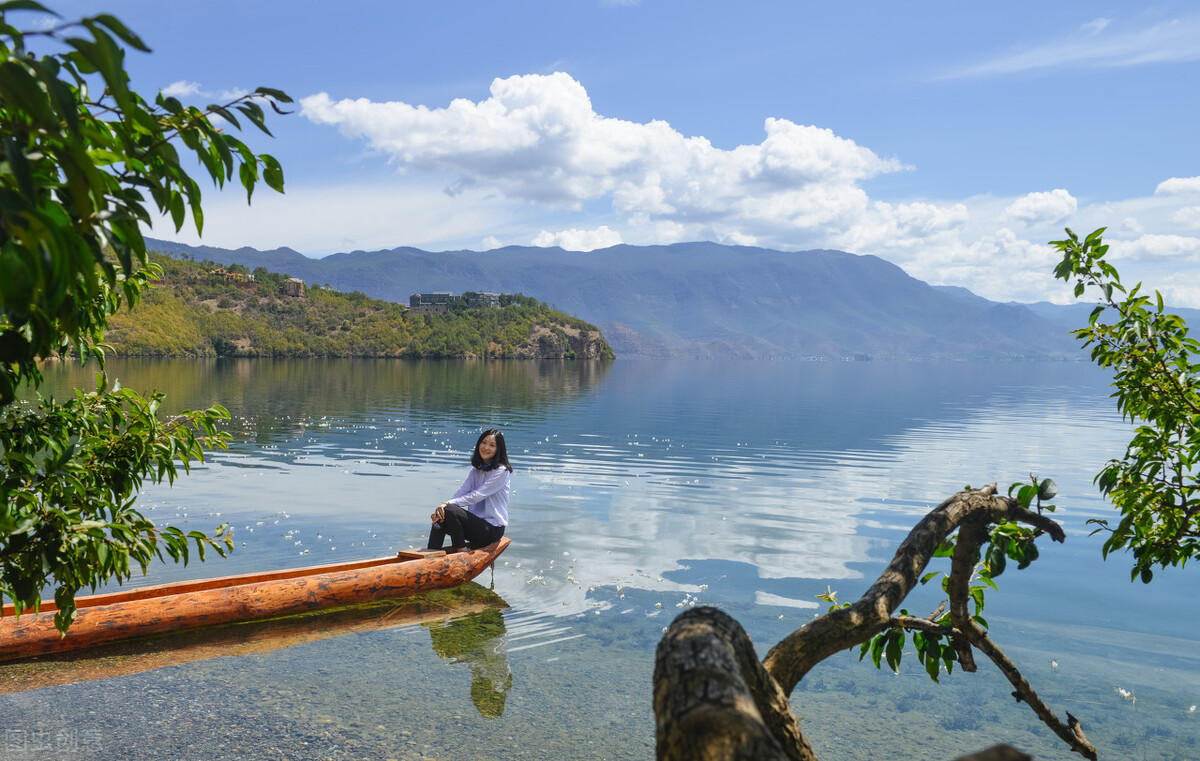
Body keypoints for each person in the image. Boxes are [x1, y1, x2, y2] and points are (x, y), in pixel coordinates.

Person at [427, 428, 511, 552]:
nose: (486, 447)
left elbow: (477, 496)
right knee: (439, 523)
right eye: (484, 443)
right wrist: (443, 507)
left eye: (492, 445)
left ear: (498, 449)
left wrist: (447, 505)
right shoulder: (476, 470)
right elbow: (463, 491)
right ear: (478, 444)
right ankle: (430, 559)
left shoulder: (502, 471)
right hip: (476, 526)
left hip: (491, 529)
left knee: (450, 510)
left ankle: (461, 550)